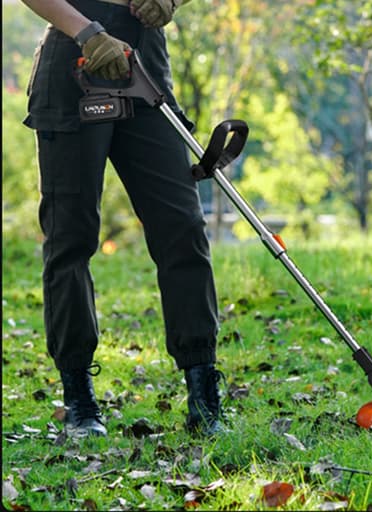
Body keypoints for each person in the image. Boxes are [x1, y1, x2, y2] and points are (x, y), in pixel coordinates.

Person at [21, 0, 225, 437]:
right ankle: (79, 398)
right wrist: (87, 32)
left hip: (144, 56)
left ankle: (204, 396)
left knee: (183, 227)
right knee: (71, 237)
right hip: (74, 51)